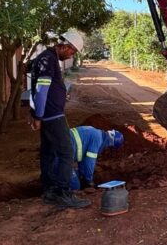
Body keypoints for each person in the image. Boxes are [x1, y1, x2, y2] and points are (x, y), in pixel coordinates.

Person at [30, 31, 89, 209]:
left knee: (48, 152)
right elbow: (41, 90)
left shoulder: (48, 58)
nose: (71, 55)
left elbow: (35, 89)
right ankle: (63, 193)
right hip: (52, 116)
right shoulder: (48, 60)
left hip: (48, 115)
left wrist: (36, 113)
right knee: (66, 152)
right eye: (72, 51)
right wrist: (38, 115)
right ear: (64, 46)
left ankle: (49, 191)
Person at [56, 126, 124, 190]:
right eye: (110, 147)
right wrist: (89, 181)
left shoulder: (95, 133)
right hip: (60, 155)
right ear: (110, 143)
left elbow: (83, 160)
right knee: (75, 185)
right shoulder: (97, 139)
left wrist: (82, 175)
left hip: (60, 146)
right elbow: (89, 162)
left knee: (76, 176)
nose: (106, 148)